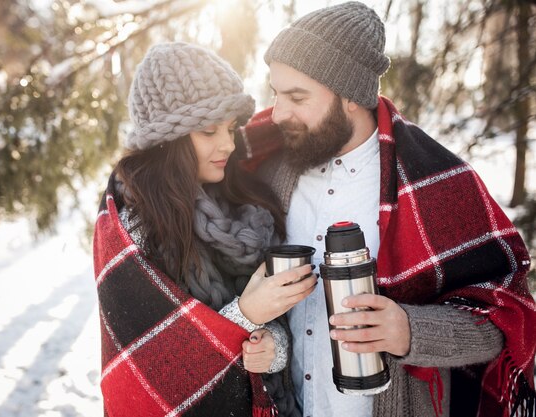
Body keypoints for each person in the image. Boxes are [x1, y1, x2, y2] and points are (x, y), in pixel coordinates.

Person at [237, 2, 536, 417]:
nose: (278, 112)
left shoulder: (434, 180)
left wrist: (409, 330)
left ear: (350, 99)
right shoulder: (265, 169)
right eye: (276, 93)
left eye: (297, 96)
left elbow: (503, 318)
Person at [92, 42, 317, 417]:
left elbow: (278, 328)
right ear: (167, 141)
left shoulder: (243, 201)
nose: (228, 144)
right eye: (209, 130)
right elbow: (154, 370)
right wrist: (246, 313)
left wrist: (272, 348)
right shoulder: (137, 227)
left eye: (230, 129)